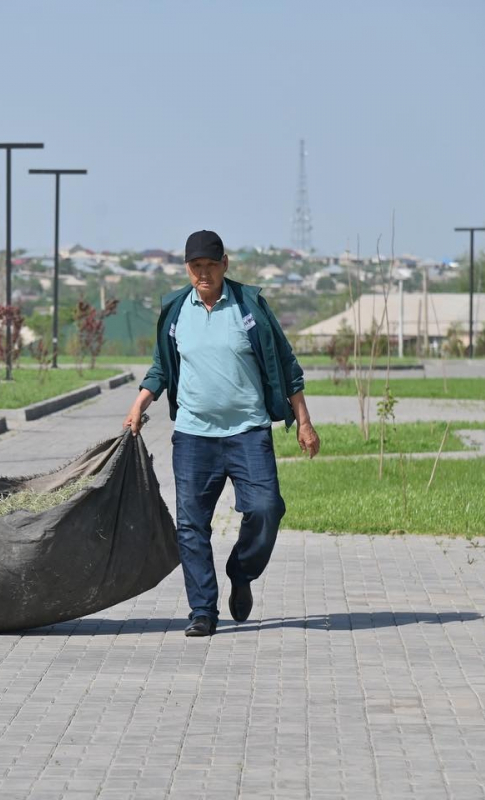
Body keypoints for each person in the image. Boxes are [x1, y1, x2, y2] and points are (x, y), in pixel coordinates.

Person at [124, 230, 319, 637]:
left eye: (211, 266)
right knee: (191, 525)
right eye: (196, 267)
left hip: (248, 431)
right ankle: (203, 611)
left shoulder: (250, 306)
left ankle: (242, 571)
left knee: (266, 508)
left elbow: (286, 366)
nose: (204, 274)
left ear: (225, 264)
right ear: (187, 269)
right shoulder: (176, 310)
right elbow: (162, 365)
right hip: (194, 436)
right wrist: (140, 404)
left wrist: (303, 420)